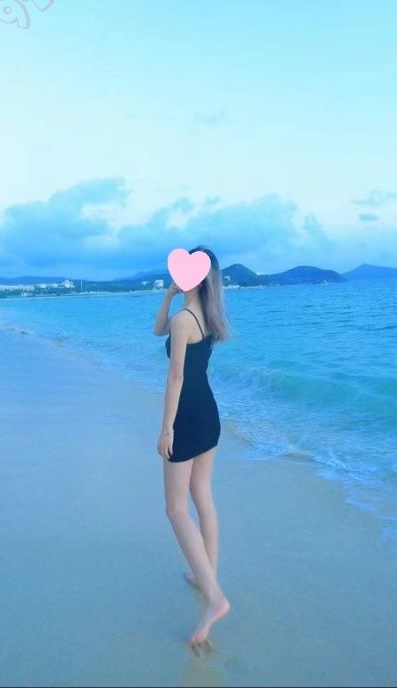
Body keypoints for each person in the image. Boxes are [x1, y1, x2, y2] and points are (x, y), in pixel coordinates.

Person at [152, 246, 232, 648]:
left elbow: (176, 378)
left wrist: (166, 428)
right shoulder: (207, 317)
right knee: (202, 494)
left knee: (175, 508)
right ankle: (207, 577)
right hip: (209, 415)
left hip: (186, 417)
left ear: (196, 277)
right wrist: (168, 296)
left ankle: (215, 597)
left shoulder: (185, 320)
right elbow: (157, 331)